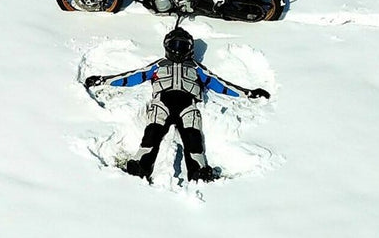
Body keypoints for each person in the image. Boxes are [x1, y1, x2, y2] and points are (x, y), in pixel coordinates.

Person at [84, 27, 270, 183]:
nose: (178, 50)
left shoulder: (196, 68)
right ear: (167, 46)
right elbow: (133, 76)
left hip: (188, 105)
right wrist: (103, 80)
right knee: (152, 135)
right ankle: (140, 167)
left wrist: (248, 93)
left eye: (182, 46)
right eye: (174, 45)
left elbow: (219, 84)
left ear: (190, 48)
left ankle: (199, 172)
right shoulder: (159, 65)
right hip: (162, 103)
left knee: (193, 138)